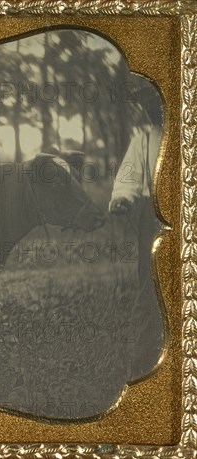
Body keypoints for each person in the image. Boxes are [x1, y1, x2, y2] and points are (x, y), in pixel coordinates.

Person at [109, 84, 163, 379]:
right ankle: (144, 356)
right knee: (150, 279)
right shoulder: (143, 137)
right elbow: (130, 176)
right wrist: (123, 197)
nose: (152, 111)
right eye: (148, 105)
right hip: (150, 215)